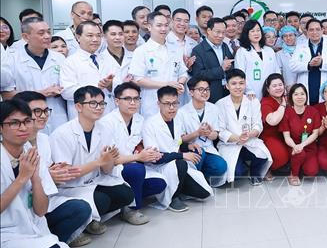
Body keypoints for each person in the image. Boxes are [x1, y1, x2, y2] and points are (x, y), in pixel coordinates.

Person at [0, 99, 89, 248]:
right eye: (14, 123)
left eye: (27, 121)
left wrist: (35, 178)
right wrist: (22, 178)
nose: (23, 127)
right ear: (1, 128)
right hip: (5, 234)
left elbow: (41, 211)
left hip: (34, 229)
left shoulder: (31, 153)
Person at [49, 86, 135, 236]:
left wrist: (108, 160)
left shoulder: (104, 129)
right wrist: (98, 162)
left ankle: (92, 218)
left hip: (94, 181)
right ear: (78, 107)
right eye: (93, 103)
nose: (99, 107)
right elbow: (65, 175)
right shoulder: (62, 134)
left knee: (126, 194)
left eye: (102, 103)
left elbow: (107, 170)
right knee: (101, 200)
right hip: (71, 187)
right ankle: (85, 223)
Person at [14, 90, 93, 247]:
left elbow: (49, 174)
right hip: (19, 206)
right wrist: (47, 176)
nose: (43, 116)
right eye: (37, 111)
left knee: (82, 208)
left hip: (43, 200)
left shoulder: (44, 139)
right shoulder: (13, 145)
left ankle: (55, 242)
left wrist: (57, 173)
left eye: (45, 111)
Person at [97, 82, 164, 224]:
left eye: (136, 99)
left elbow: (141, 142)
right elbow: (110, 161)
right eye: (127, 99)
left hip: (131, 164)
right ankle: (131, 209)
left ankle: (124, 200)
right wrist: (139, 156)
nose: (133, 103)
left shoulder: (139, 119)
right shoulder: (107, 123)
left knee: (159, 184)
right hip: (112, 169)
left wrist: (150, 152)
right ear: (116, 101)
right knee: (136, 169)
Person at [141, 86, 213, 212]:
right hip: (160, 166)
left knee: (204, 193)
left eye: (175, 103)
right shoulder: (150, 124)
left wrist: (187, 146)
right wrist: (182, 155)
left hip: (176, 163)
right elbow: (154, 158)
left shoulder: (177, 119)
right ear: (158, 104)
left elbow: (175, 143)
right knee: (181, 163)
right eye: (167, 104)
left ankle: (180, 186)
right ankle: (173, 198)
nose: (172, 108)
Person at [4, 17, 67, 133]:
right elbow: (6, 94)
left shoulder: (59, 58)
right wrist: (41, 93)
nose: (47, 36)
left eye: (48, 32)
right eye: (41, 33)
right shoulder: (12, 60)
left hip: (57, 116)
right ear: (26, 37)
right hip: (26, 116)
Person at [216, 69, 272, 186]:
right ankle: (241, 165)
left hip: (249, 141)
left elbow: (258, 125)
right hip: (230, 144)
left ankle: (254, 173)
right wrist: (237, 138)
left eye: (241, 83)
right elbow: (220, 130)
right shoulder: (220, 104)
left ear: (245, 84)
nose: (238, 87)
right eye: (234, 83)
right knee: (237, 173)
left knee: (263, 156)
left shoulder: (253, 101)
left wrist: (249, 135)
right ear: (227, 86)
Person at [128, 11, 188, 116]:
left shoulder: (175, 48)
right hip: (152, 103)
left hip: (174, 101)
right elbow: (139, 80)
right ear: (149, 27)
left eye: (166, 25)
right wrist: (166, 84)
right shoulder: (141, 51)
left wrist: (180, 84)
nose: (163, 29)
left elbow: (183, 73)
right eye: (159, 25)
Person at [176, 77, 228, 187]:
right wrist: (197, 133)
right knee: (199, 153)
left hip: (208, 148)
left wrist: (210, 134)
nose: (205, 92)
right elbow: (181, 139)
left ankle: (202, 178)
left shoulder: (214, 108)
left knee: (221, 166)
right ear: (191, 92)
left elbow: (215, 135)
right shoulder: (181, 112)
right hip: (191, 148)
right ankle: (193, 183)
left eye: (207, 89)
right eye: (201, 89)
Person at [60, 20, 114, 118]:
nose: (95, 39)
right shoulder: (70, 62)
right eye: (90, 35)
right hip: (83, 115)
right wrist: (96, 87)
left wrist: (110, 85)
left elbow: (117, 85)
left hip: (107, 112)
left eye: (98, 35)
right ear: (78, 37)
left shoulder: (107, 58)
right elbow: (66, 91)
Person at [291, 18, 327, 104]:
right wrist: (308, 65)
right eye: (311, 30)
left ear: (322, 30)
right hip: (307, 86)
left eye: (317, 29)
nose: (314, 32)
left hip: (326, 86)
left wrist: (322, 63)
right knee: (307, 109)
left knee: (324, 109)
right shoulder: (300, 46)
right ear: (307, 31)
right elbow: (292, 66)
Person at [279, 84, 321, 186]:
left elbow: (315, 134)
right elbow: (287, 137)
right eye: (296, 94)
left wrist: (302, 145)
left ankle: (300, 165)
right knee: (299, 153)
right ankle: (294, 174)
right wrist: (295, 146)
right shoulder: (287, 112)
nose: (299, 97)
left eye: (302, 94)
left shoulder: (313, 111)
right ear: (291, 97)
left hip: (309, 146)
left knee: (311, 171)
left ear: (306, 96)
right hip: (292, 146)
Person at [190, 17, 234, 103]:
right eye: (217, 32)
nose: (221, 36)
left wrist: (229, 67)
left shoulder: (225, 46)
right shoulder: (198, 50)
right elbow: (198, 75)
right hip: (210, 94)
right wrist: (221, 69)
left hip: (227, 92)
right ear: (209, 31)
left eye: (223, 32)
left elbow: (231, 65)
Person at [234, 19, 279, 99]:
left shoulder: (269, 50)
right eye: (252, 31)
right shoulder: (242, 51)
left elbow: (277, 71)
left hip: (270, 91)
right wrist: (248, 90)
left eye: (258, 30)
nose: (256, 33)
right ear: (247, 33)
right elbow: (240, 74)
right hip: (251, 93)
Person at [260, 74, 289, 180]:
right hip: (270, 137)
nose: (278, 88)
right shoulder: (266, 102)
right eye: (274, 86)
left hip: (286, 135)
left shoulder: (287, 98)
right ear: (268, 89)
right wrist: (283, 105)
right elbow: (273, 121)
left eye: (280, 85)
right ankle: (266, 168)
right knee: (281, 158)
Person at [101, 20, 133, 101]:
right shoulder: (99, 59)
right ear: (104, 36)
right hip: (109, 102)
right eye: (113, 34)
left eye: (121, 34)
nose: (118, 37)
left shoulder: (134, 56)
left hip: (131, 101)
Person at [166, 8, 198, 80]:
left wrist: (189, 68)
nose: (182, 24)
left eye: (186, 21)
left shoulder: (194, 43)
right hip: (170, 82)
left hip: (190, 82)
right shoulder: (164, 41)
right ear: (172, 21)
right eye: (178, 20)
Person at [276, 25, 298, 91]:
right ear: (282, 38)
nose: (288, 38)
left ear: (295, 36)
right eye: (285, 36)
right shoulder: (279, 54)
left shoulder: (302, 51)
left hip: (302, 84)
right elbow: (278, 73)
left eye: (290, 35)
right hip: (287, 87)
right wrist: (284, 86)